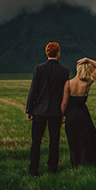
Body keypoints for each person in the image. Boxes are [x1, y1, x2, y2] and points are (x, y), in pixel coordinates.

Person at [25, 42, 70, 176]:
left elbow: (33, 90)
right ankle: (52, 169)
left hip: (39, 111)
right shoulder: (64, 71)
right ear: (58, 53)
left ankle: (33, 170)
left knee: (36, 142)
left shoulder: (38, 69)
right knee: (54, 142)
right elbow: (64, 96)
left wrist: (29, 109)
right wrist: (63, 114)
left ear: (47, 53)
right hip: (56, 112)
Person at [60, 57, 96, 168]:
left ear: (78, 69)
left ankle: (75, 165)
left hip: (71, 115)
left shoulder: (68, 83)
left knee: (73, 140)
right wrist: (88, 59)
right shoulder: (88, 83)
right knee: (85, 139)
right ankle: (86, 162)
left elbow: (64, 103)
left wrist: (62, 115)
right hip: (83, 114)